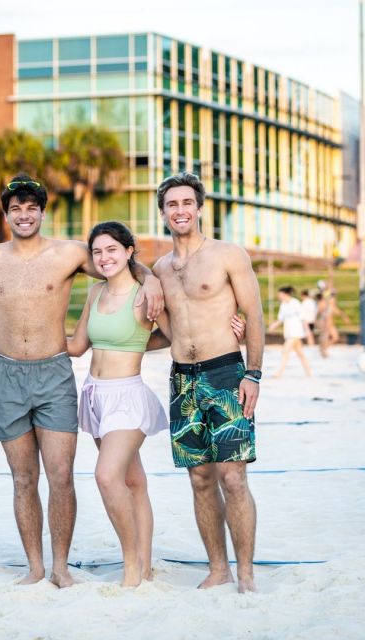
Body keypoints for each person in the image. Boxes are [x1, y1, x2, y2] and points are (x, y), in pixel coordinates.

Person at [0, 173, 164, 587]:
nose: (24, 214)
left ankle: (60, 567)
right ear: (6, 214)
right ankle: (35, 565)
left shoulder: (70, 253)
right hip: (7, 374)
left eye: (31, 207)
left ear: (42, 211)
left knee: (60, 476)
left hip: (54, 371)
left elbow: (120, 264)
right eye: (15, 208)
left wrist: (153, 279)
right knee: (23, 478)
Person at [151, 172, 264, 593]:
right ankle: (219, 568)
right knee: (199, 478)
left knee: (232, 477)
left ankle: (247, 573)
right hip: (182, 381)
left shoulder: (227, 255)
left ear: (199, 208)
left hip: (226, 372)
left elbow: (253, 315)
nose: (180, 211)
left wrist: (253, 373)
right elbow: (165, 332)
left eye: (186, 203)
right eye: (172, 205)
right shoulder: (160, 268)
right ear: (163, 213)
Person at [67, 221, 169, 587]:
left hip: (128, 396)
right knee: (133, 481)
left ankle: (130, 565)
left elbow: (173, 334)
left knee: (107, 477)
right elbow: (77, 345)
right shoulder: (95, 292)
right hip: (94, 394)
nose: (104, 257)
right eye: (97, 251)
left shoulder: (145, 293)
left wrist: (139, 342)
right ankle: (144, 565)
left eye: (112, 249)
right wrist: (26, 340)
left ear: (128, 252)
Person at [268, 286, 312, 377]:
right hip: (288, 333)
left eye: (280, 295)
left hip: (296, 332)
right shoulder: (283, 305)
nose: (279, 297)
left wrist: (307, 330)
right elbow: (281, 319)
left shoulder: (295, 303)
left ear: (285, 294)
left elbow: (303, 318)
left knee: (285, 350)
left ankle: (279, 373)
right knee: (301, 354)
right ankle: (309, 372)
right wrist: (273, 325)